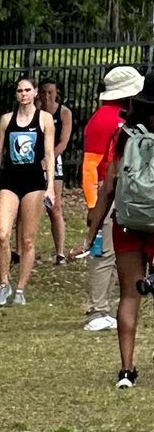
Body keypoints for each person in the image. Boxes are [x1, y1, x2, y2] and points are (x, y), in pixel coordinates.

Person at [89, 89, 154, 393]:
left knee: (129, 295)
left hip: (127, 222)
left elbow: (108, 186)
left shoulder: (123, 135)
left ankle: (126, 371)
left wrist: (93, 232)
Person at [82, 65, 143, 333]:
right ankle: (97, 308)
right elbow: (91, 165)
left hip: (118, 193)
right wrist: (94, 204)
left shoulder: (113, 119)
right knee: (103, 252)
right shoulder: (107, 121)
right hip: (109, 193)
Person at [0, 76, 50, 306]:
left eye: (27, 90)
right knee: (3, 233)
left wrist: (51, 186)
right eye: (19, 91)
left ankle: (21, 288)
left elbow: (50, 154)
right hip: (10, 181)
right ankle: (4, 283)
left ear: (35, 92)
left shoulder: (45, 119)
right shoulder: (7, 119)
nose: (23, 94)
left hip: (34, 182)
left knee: (27, 239)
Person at [40, 78, 74, 262]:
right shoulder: (35, 112)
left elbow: (64, 142)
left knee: (54, 206)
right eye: (44, 92)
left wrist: (49, 158)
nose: (47, 97)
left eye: (50, 93)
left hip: (54, 159)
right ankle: (20, 250)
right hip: (35, 159)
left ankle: (60, 252)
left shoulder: (64, 113)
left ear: (56, 93)